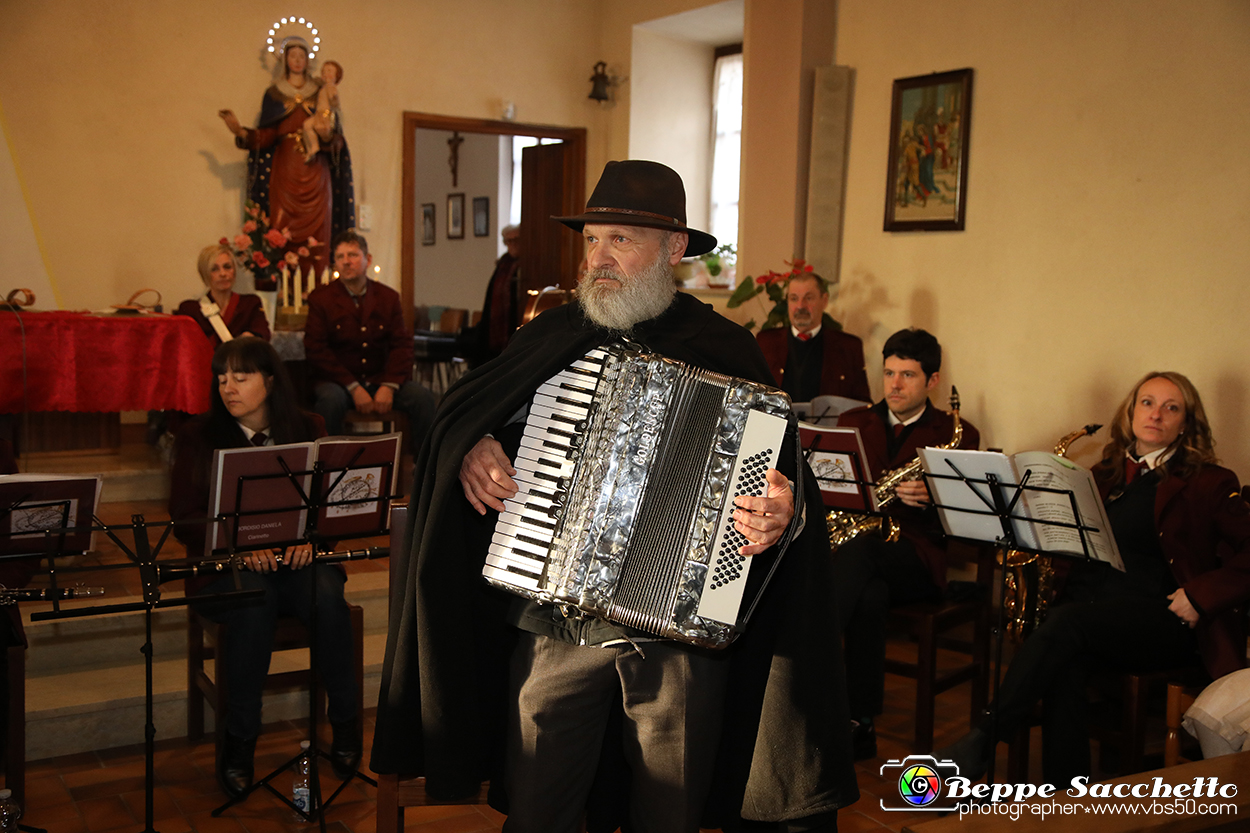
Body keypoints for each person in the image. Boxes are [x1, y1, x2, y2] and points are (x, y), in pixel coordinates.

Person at [371, 160, 857, 832]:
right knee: (538, 810)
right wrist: (477, 444)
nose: (599, 258)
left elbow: (786, 481)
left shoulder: (724, 345)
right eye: (592, 239)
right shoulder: (551, 334)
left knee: (670, 814)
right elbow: (461, 414)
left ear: (675, 249)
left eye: (620, 241)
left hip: (680, 642)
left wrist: (785, 510)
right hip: (555, 633)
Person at [939, 371, 1250, 785]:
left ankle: (982, 742)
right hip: (1095, 616)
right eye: (1147, 403)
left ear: (1186, 422)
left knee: (1066, 625)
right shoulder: (1100, 476)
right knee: (1066, 660)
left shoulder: (1210, 482)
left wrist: (1200, 595)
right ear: (1130, 412)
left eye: (1171, 407)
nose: (1156, 414)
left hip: (1164, 619)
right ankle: (1067, 797)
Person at [169, 338, 360, 797]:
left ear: (270, 381)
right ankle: (240, 741)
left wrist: (312, 541)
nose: (228, 387)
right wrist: (236, 544)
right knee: (254, 604)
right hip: (224, 566)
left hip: (297, 559)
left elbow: (329, 504)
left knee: (328, 600)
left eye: (241, 376)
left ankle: (347, 726)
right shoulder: (198, 435)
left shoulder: (309, 427)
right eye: (221, 378)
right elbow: (184, 517)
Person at [833, 328, 981, 759]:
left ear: (932, 381)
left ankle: (808, 665)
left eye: (908, 376)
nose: (894, 385)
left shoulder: (958, 433)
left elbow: (969, 520)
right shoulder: (852, 423)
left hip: (918, 557)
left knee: (860, 559)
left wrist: (935, 501)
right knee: (870, 595)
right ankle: (859, 723)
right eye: (889, 373)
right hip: (860, 551)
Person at [218, 37, 355, 280]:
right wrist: (240, 131)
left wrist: (331, 136)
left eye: (302, 56)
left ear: (308, 60)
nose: (297, 61)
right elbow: (267, 135)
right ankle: (283, 287)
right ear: (285, 60)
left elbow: (335, 132)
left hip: (316, 169)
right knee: (281, 225)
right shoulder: (274, 94)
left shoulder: (320, 90)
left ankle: (319, 285)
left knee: (320, 228)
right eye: (292, 56)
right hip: (286, 167)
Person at [304, 231, 436, 447]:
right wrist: (353, 387)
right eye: (340, 257)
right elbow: (316, 350)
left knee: (422, 398)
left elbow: (401, 345)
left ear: (368, 259)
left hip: (380, 379)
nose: (346, 262)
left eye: (353, 255)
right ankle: (328, 469)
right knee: (329, 401)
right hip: (338, 382)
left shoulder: (388, 297)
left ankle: (425, 470)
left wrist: (389, 385)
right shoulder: (321, 299)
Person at [755, 270, 870, 405]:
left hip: (828, 426)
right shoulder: (766, 343)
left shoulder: (848, 347)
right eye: (794, 298)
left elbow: (862, 405)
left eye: (808, 298)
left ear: (824, 300)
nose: (800, 306)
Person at [175, 244, 270, 347]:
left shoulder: (250, 304)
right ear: (205, 273)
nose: (223, 273)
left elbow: (263, 333)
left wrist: (251, 337)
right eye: (214, 269)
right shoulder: (191, 309)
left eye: (227, 267)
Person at [467, 224, 522, 367]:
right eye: (508, 241)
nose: (512, 245)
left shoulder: (527, 264)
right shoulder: (503, 264)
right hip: (497, 325)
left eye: (515, 240)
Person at [301, 60, 343, 164]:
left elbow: (334, 100)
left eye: (329, 71)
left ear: (336, 76)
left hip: (325, 114)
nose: (325, 74)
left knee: (317, 128)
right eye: (323, 71)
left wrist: (333, 98)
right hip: (318, 113)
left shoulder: (330, 86)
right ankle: (314, 146)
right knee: (307, 125)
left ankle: (315, 145)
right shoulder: (323, 86)